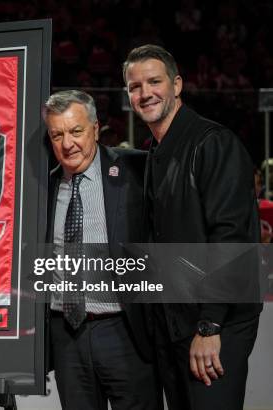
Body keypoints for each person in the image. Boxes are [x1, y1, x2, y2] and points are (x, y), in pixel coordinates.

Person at [123, 44, 262, 410]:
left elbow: (232, 240)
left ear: (177, 85)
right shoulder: (155, 152)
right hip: (175, 324)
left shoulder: (213, 143)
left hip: (213, 325)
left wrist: (210, 325)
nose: (145, 93)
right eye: (135, 86)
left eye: (154, 82)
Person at [44, 90, 161, 410]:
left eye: (76, 131)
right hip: (67, 336)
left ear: (96, 128)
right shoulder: (42, 187)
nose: (67, 143)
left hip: (125, 331)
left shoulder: (137, 170)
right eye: (58, 134)